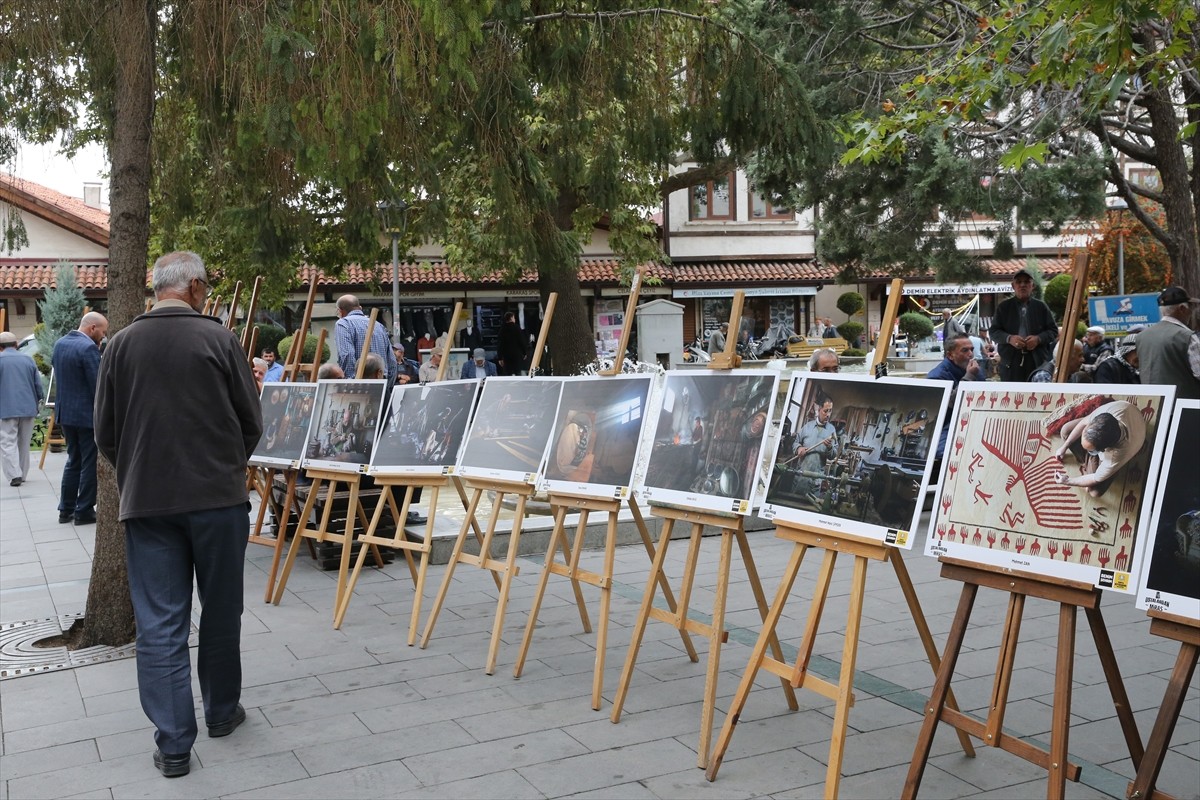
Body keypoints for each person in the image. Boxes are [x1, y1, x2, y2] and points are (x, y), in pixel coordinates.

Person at [95, 251, 262, 779]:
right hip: (216, 500)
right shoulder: (219, 339)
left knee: (161, 622)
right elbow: (251, 420)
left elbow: (106, 432)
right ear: (191, 286)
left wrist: (141, 470)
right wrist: (225, 464)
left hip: (149, 503)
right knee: (220, 609)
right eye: (206, 287)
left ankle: (173, 744)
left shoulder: (119, 345)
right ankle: (220, 712)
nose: (207, 295)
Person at [52, 312, 108, 522]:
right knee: (89, 462)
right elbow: (98, 386)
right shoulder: (88, 349)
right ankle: (84, 509)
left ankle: (65, 509)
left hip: (66, 414)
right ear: (92, 328)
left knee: (73, 460)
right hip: (86, 416)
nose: (103, 336)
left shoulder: (60, 344)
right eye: (102, 331)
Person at [1053, 400, 1146, 498]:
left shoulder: (1115, 456)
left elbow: (1095, 478)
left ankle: (1095, 465)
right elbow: (1083, 423)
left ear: (1103, 450)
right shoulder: (1106, 413)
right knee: (1065, 430)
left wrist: (1067, 481)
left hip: (1120, 452)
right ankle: (1090, 463)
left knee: (1094, 492)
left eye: (1091, 450)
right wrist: (1064, 446)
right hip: (1128, 413)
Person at [989, 269, 1058, 382]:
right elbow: (993, 332)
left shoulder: (1041, 307)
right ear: (1013, 286)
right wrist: (1009, 338)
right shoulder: (1004, 307)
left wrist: (1038, 339)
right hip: (1010, 363)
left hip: (1037, 361)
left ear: (1033, 286)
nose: (1022, 285)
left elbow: (1053, 331)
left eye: (1026, 282)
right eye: (1019, 282)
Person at [1137, 286, 1200, 400]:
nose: (1191, 311)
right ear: (1182, 309)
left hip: (1153, 406)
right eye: (1190, 307)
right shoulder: (1186, 336)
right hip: (1183, 408)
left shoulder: (1142, 336)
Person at [927, 334, 981, 460]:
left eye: (971, 349)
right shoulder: (937, 376)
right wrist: (968, 377)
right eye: (965, 350)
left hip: (973, 421)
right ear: (950, 355)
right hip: (948, 426)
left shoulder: (974, 369)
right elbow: (944, 410)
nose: (970, 354)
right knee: (947, 453)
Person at [0, 330, 43, 487]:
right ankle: (22, 474)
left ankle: (14, 475)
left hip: (6, 407)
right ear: (16, 344)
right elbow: (38, 384)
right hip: (28, 406)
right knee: (24, 442)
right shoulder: (28, 359)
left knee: (7, 442)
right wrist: (39, 399)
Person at [334, 295, 397, 382]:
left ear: (340, 311)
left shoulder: (344, 323)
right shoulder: (378, 325)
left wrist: (351, 381)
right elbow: (392, 360)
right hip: (382, 381)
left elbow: (346, 354)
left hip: (361, 383)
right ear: (360, 308)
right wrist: (389, 384)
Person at [793, 398, 839, 501]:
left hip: (816, 480)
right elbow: (795, 443)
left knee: (811, 509)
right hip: (801, 477)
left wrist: (830, 448)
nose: (828, 414)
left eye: (830, 411)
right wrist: (799, 448)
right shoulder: (807, 427)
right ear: (819, 410)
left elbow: (834, 455)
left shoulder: (831, 430)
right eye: (825, 411)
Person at [497, 311, 527, 375]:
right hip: (516, 354)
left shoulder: (502, 329)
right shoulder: (517, 328)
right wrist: (524, 352)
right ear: (511, 318)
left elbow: (500, 344)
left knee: (508, 372)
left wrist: (500, 357)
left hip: (506, 355)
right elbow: (521, 341)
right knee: (517, 372)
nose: (514, 319)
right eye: (514, 318)